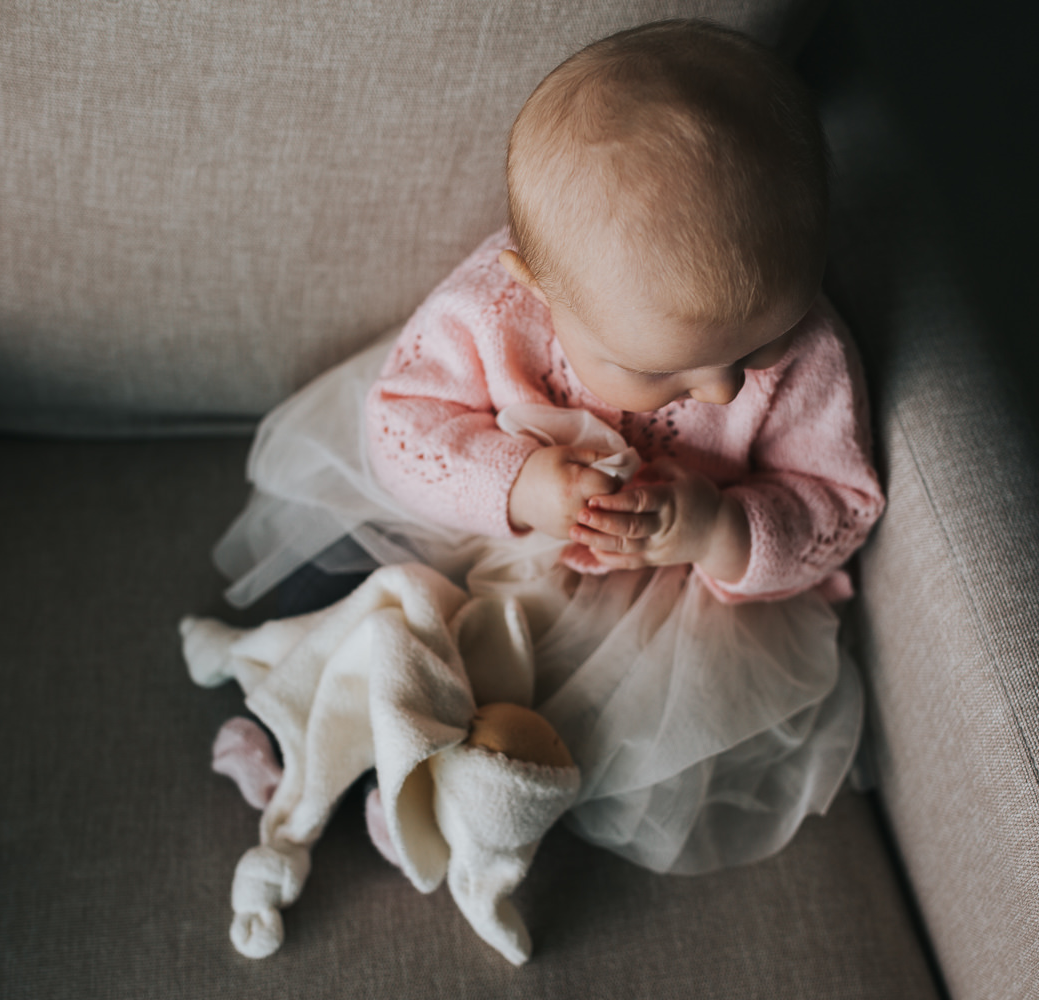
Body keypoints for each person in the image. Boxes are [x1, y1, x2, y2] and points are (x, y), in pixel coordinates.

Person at [215, 19, 884, 875]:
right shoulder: (496, 310)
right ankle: (286, 715)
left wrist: (720, 527)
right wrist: (520, 483)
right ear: (539, 288)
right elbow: (400, 425)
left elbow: (840, 502)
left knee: (590, 722)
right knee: (370, 585)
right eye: (665, 367)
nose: (722, 391)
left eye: (754, 351)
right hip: (476, 532)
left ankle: (448, 796)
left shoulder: (809, 355)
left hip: (655, 608)